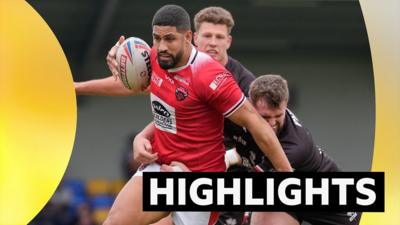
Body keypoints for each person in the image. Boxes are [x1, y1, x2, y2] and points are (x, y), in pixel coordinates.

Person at [75, 4, 292, 225]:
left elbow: (256, 124)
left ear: (188, 37)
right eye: (156, 38)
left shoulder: (210, 76)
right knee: (115, 221)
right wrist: (78, 86)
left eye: (169, 39)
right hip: (162, 166)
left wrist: (286, 176)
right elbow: (133, 84)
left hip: (200, 183)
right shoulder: (155, 59)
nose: (161, 46)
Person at [223, 74, 361, 225]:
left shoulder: (295, 147)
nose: (272, 123)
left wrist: (228, 158)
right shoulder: (243, 111)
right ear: (251, 103)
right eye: (265, 117)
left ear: (285, 105)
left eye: (278, 116)